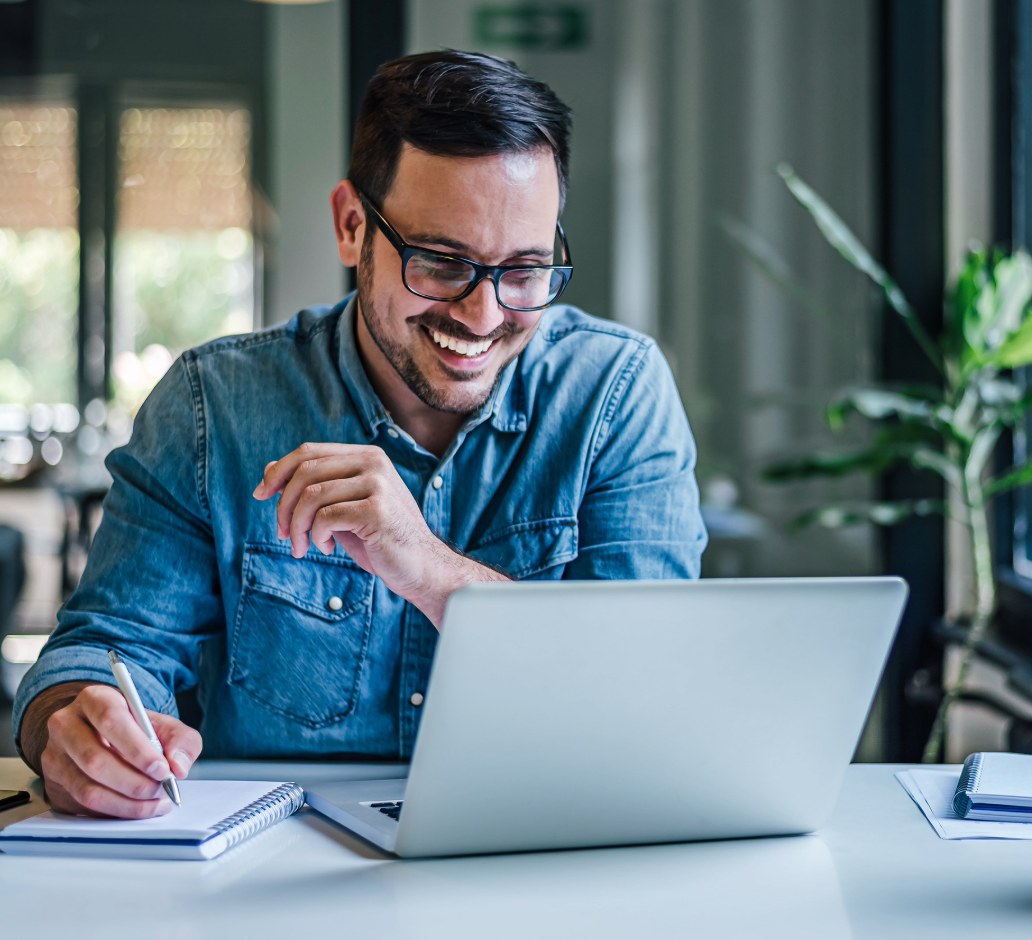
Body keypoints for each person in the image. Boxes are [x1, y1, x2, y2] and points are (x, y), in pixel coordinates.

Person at [14, 51, 706, 819]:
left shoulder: (614, 394)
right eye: (440, 262)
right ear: (352, 226)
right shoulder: (216, 405)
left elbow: (647, 689)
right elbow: (108, 647)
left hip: (541, 851)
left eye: (524, 270)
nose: (482, 316)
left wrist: (428, 569)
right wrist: (78, 727)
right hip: (274, 874)